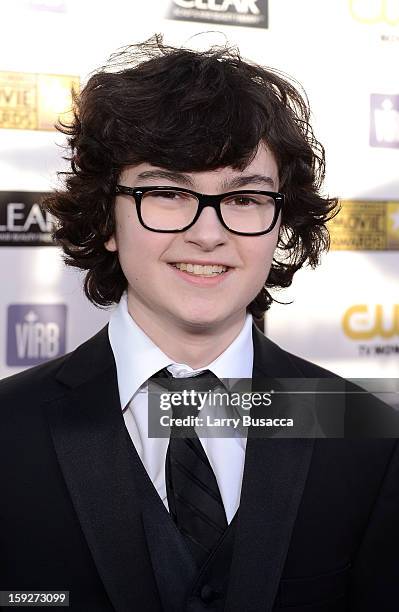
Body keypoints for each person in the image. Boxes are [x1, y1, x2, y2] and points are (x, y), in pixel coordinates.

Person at [0, 34, 398, 612]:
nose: (208, 234)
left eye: (243, 199)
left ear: (280, 222)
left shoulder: (364, 432)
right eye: (167, 192)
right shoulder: (8, 430)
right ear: (107, 218)